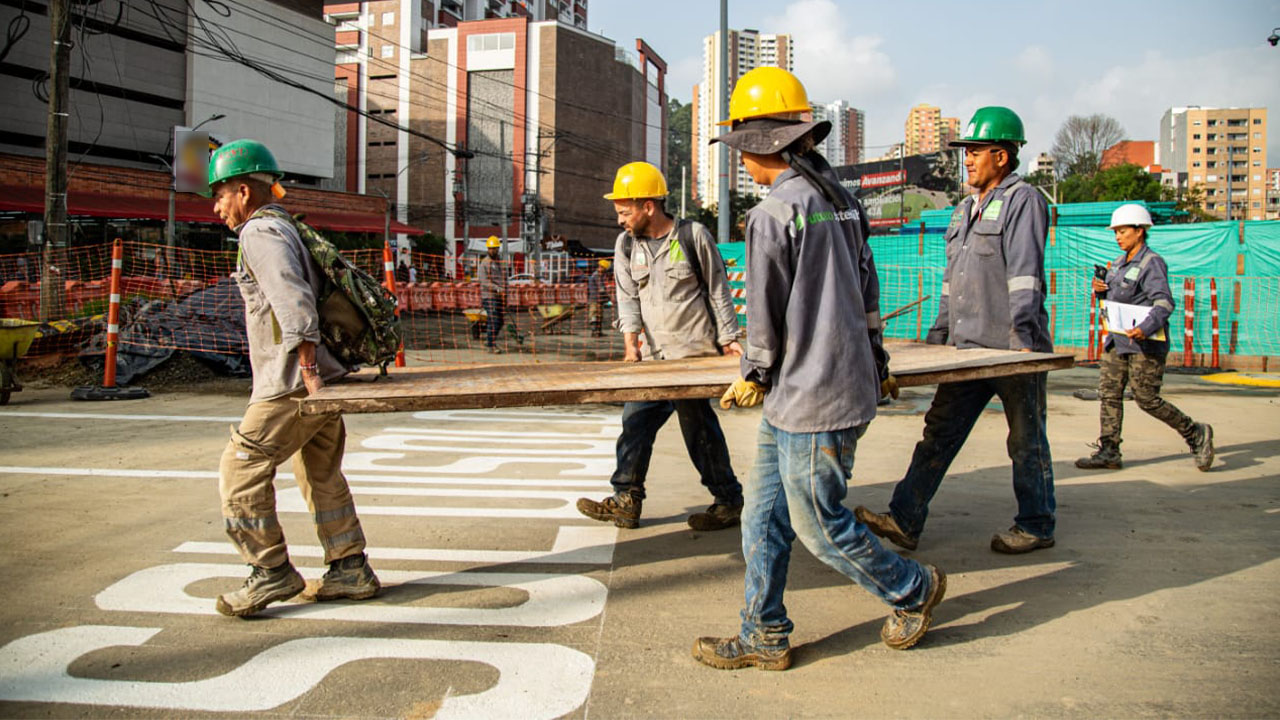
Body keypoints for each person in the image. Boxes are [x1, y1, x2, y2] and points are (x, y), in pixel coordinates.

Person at [693, 67, 945, 671]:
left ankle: (912, 588)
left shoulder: (774, 213)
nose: (740, 162)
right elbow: (868, 286)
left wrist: (753, 372)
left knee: (819, 526)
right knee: (762, 514)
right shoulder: (842, 201)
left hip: (812, 396)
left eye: (740, 149)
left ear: (761, 144)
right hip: (824, 388)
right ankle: (764, 633)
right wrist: (877, 355)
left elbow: (765, 313)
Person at [855, 107, 1057, 555]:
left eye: (975, 151)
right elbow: (953, 280)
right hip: (967, 349)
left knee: (1026, 440)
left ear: (1002, 157)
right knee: (939, 431)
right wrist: (938, 338)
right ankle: (905, 518)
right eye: (966, 152)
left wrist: (1024, 344)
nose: (966, 160)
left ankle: (1037, 523)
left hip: (1010, 349)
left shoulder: (1024, 200)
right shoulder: (965, 209)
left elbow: (1026, 275)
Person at [204, 139, 380, 617]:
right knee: (319, 470)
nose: (217, 207)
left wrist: (305, 369)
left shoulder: (258, 233)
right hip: (323, 375)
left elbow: (291, 296)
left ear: (243, 190)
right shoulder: (289, 227)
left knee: (240, 470)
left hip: (292, 382)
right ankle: (349, 567)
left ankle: (270, 571)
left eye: (220, 195)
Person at [575, 161, 745, 532]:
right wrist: (630, 346)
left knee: (698, 429)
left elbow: (718, 290)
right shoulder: (625, 245)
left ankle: (728, 500)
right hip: (653, 359)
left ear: (648, 206)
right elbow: (627, 298)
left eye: (624, 211)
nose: (620, 219)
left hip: (693, 358)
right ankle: (626, 499)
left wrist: (730, 339)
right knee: (634, 422)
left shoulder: (692, 236)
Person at [1076, 204, 1214, 471]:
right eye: (1115, 232)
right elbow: (1115, 299)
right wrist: (1100, 291)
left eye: (1123, 231)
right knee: (1109, 394)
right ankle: (1109, 451)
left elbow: (1164, 303)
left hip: (1144, 344)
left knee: (1147, 398)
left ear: (1140, 231)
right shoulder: (1117, 264)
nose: (1117, 236)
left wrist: (1146, 327)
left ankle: (1195, 433)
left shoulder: (1152, 263)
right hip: (1117, 341)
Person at [476, 236, 506, 353]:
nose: (493, 250)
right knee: (493, 319)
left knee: (500, 321)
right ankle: (491, 346)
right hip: (489, 296)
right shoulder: (484, 263)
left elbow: (504, 278)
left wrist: (505, 291)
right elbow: (483, 281)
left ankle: (489, 339)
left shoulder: (499, 262)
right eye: (491, 248)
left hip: (499, 297)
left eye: (495, 248)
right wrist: (497, 288)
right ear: (488, 249)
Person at [587, 258, 610, 337]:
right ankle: (595, 332)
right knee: (594, 315)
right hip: (595, 298)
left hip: (598, 299)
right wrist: (607, 296)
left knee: (599, 315)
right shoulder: (596, 276)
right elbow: (601, 288)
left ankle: (598, 332)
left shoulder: (599, 276)